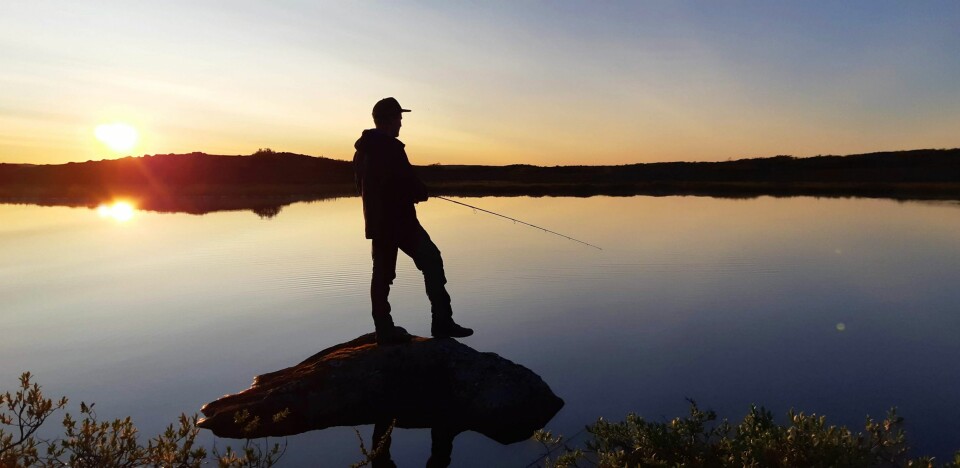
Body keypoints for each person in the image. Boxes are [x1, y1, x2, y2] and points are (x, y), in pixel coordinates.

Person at [353, 97, 473, 345]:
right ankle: (442, 322)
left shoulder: (363, 150)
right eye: (399, 118)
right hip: (400, 221)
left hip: (377, 222)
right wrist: (421, 193)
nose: (401, 124)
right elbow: (408, 184)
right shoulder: (391, 148)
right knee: (432, 260)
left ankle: (383, 329)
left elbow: (362, 185)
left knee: (382, 275)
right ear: (387, 120)